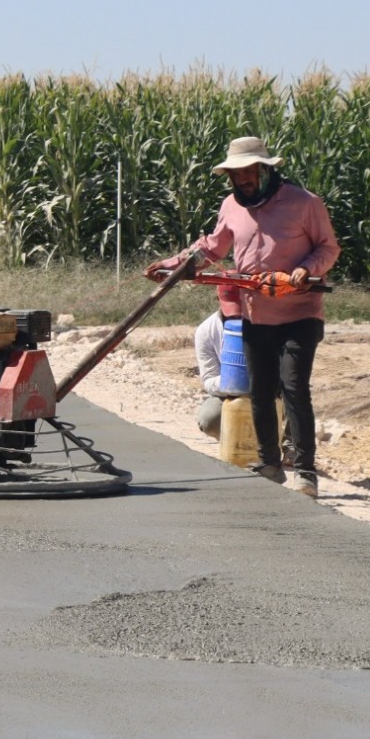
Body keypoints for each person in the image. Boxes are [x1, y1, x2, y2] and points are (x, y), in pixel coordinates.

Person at [146, 136, 340, 497]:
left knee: (295, 388)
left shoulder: (304, 203)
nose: (243, 179)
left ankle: (304, 471)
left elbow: (328, 247)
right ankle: (269, 463)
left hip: (300, 313)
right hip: (256, 315)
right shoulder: (232, 206)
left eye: (250, 171)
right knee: (261, 391)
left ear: (265, 169)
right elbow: (210, 248)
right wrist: (174, 266)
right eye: (237, 174)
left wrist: (305, 269)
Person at [193, 283, 243, 439]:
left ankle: (290, 448)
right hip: (229, 394)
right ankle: (236, 443)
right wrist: (234, 381)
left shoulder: (269, 322)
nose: (236, 315)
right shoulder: (206, 331)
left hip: (269, 391)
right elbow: (208, 380)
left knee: (295, 390)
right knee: (209, 418)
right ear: (218, 299)